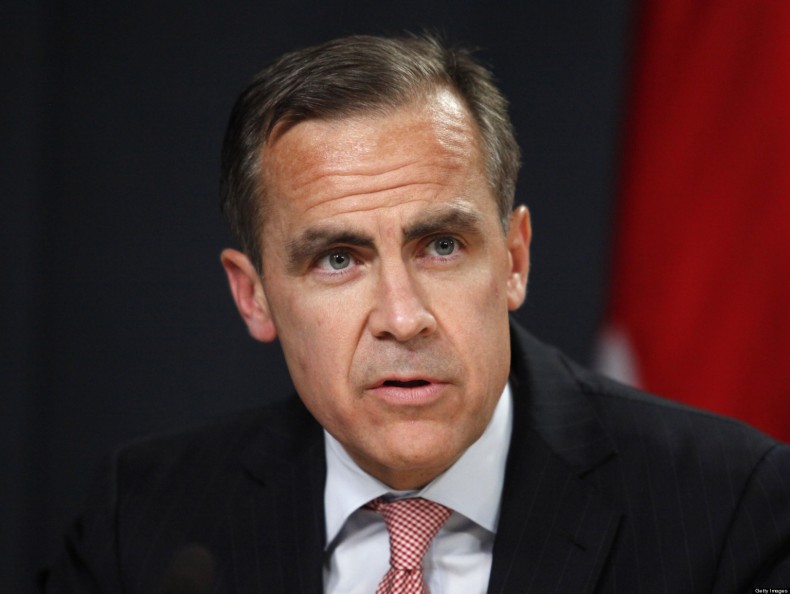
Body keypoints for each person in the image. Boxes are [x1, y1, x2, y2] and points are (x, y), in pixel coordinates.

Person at [43, 34, 790, 594]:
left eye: (440, 245)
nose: (403, 319)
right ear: (254, 295)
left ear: (515, 260)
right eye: (337, 259)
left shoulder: (728, 510)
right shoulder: (142, 522)